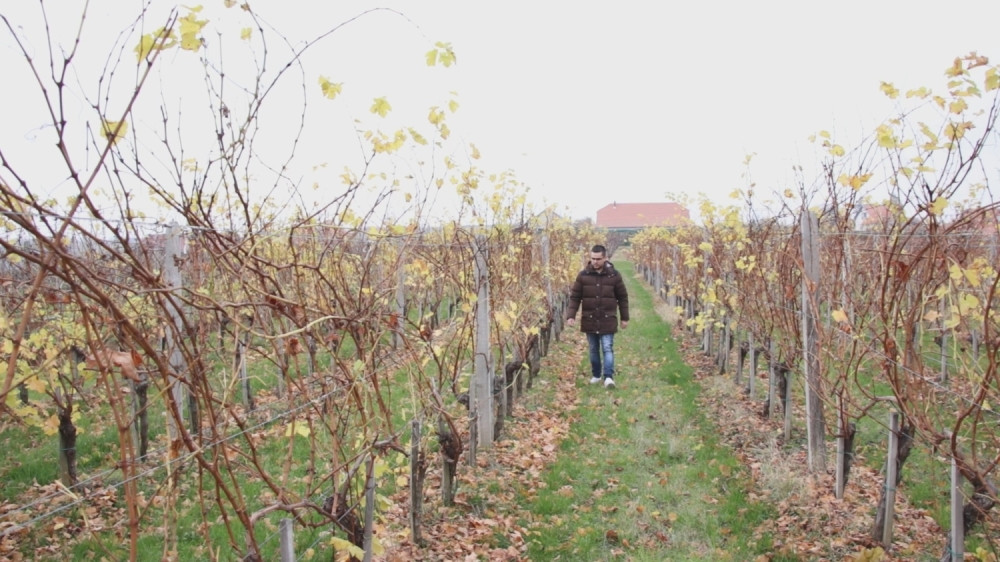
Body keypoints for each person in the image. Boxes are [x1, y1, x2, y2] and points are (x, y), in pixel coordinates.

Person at [565, 244, 629, 388]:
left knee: (607, 347)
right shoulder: (583, 276)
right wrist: (571, 315)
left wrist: (624, 318)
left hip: (608, 318)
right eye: (593, 258)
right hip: (590, 318)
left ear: (605, 258)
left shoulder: (614, 276)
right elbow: (575, 297)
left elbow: (622, 298)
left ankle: (608, 377)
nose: (595, 262)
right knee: (593, 349)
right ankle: (596, 375)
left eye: (598, 259)